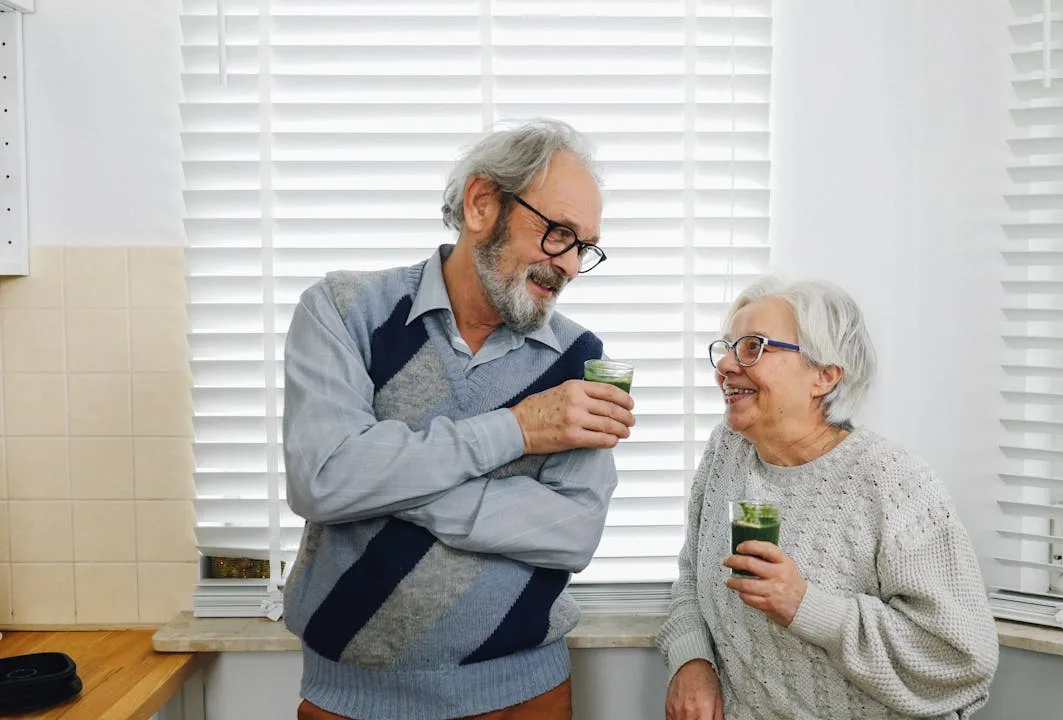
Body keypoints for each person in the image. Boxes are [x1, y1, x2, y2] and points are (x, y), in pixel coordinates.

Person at [281, 119, 635, 720]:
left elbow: (573, 533)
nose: (570, 265)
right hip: (351, 700)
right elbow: (321, 479)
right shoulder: (342, 311)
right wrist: (517, 430)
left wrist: (379, 484)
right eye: (558, 234)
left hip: (525, 696)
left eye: (584, 247)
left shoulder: (582, 361)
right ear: (481, 205)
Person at [657, 277, 999, 720]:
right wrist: (691, 659)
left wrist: (805, 606)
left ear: (824, 376)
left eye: (753, 347)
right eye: (728, 346)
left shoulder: (894, 481)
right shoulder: (729, 451)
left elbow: (963, 657)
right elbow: (691, 575)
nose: (724, 363)